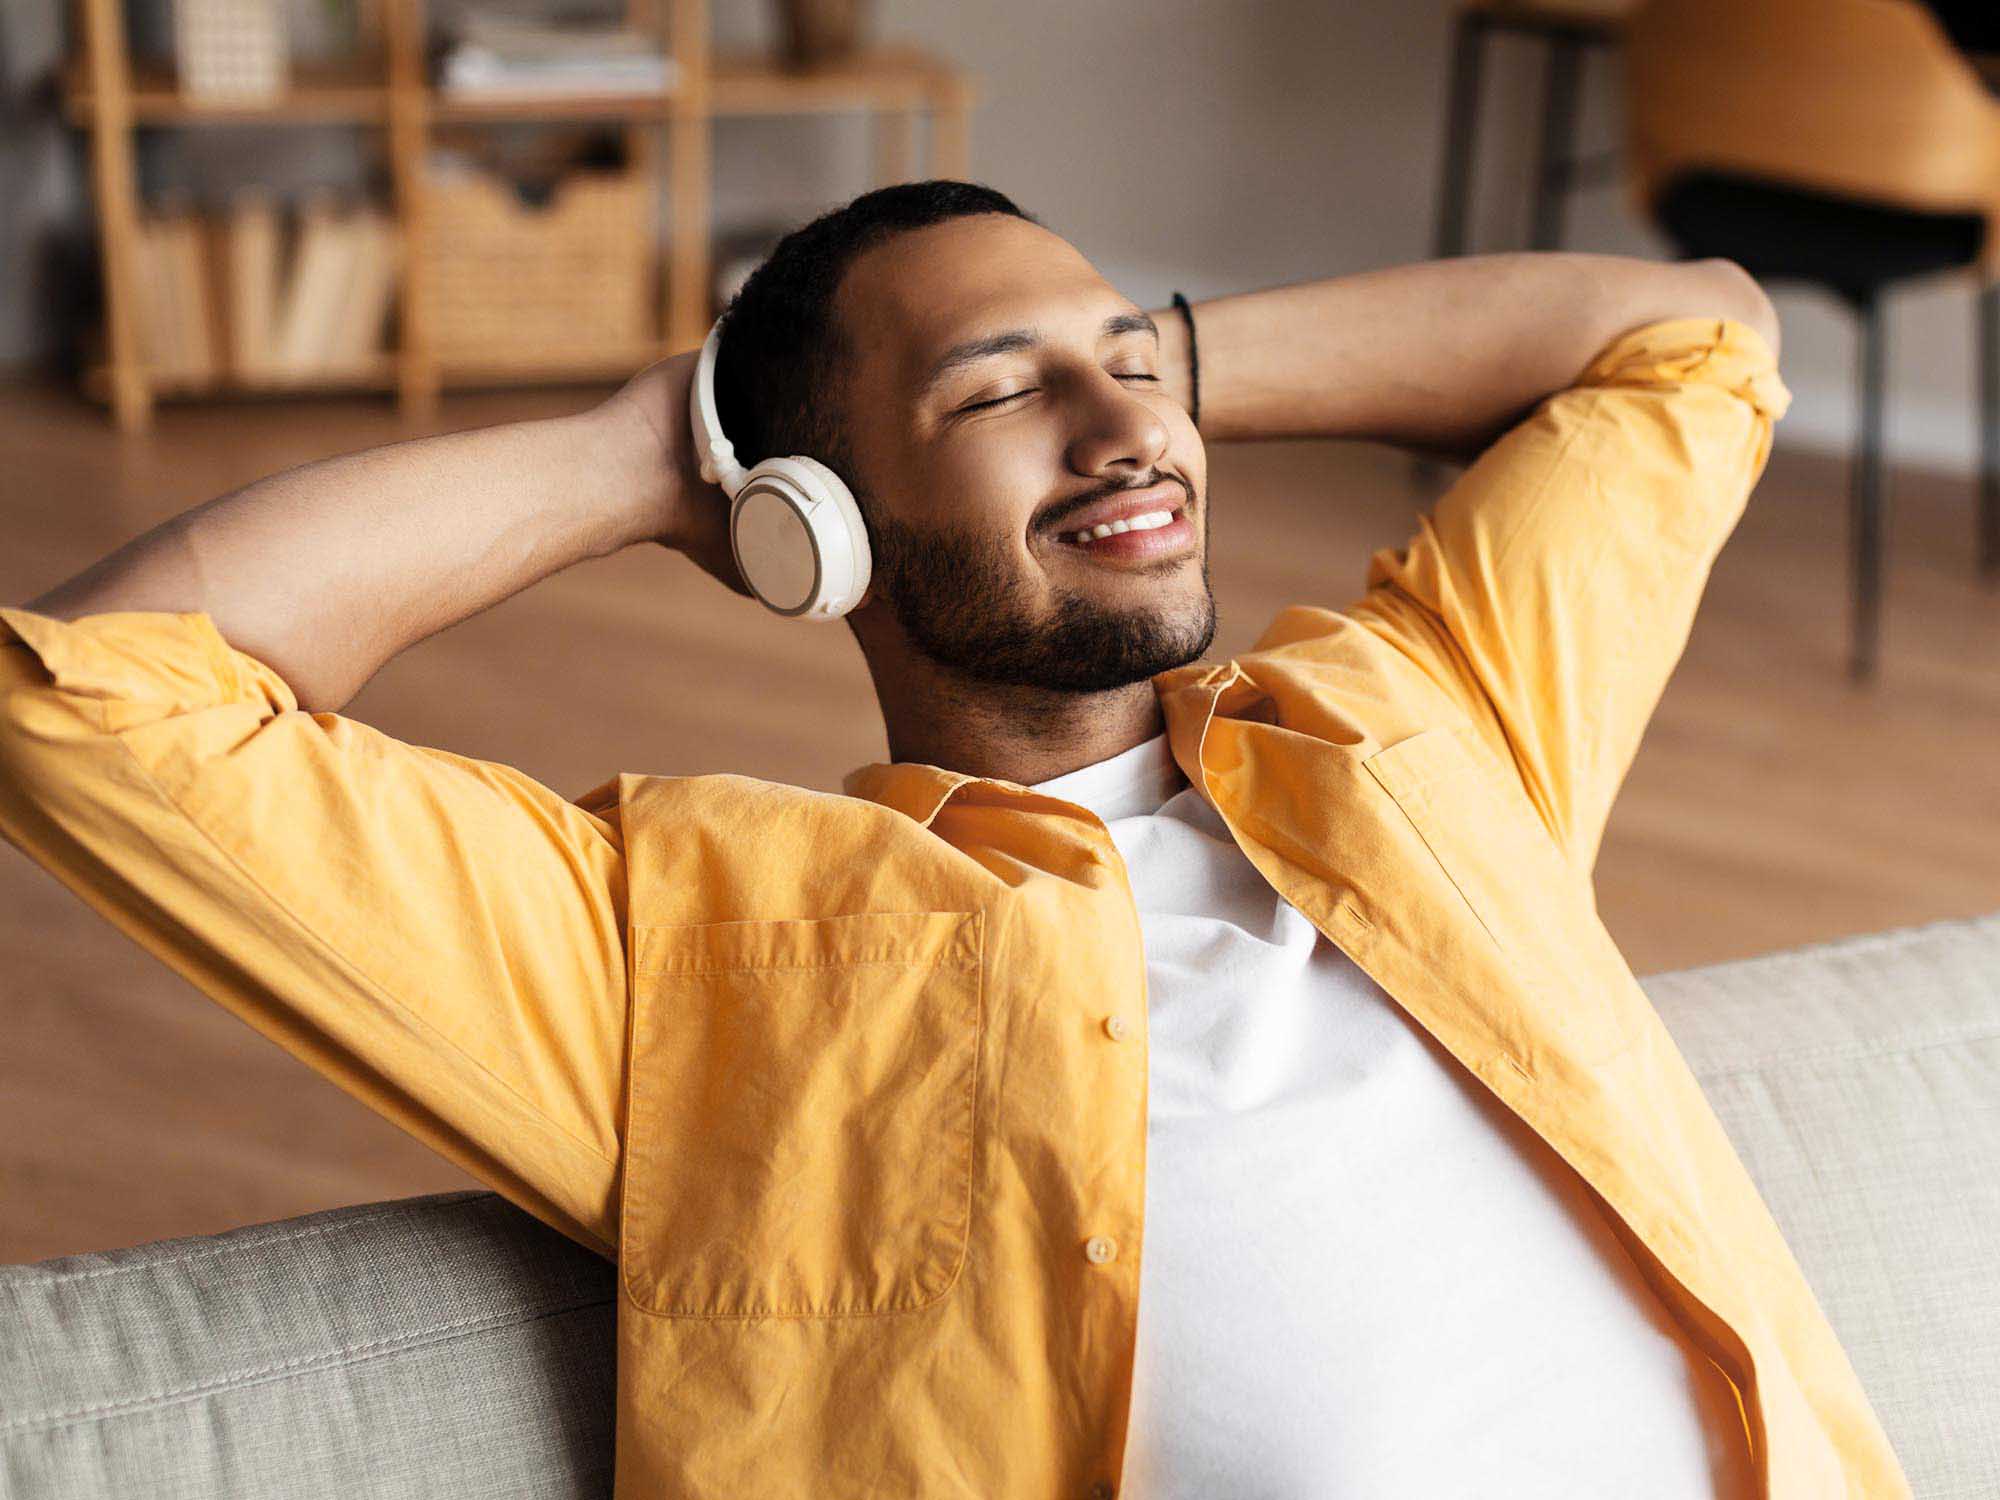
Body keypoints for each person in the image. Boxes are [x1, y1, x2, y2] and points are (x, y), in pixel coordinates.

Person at [0, 180, 1909, 1499]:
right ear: (814, 524)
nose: (1117, 428)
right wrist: (650, 455)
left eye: (1129, 362)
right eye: (993, 393)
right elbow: (86, 700)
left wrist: (1150, 373)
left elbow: (1691, 340)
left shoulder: (1427, 723)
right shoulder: (695, 951)